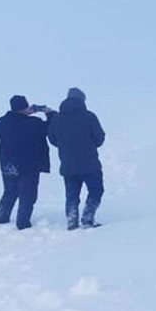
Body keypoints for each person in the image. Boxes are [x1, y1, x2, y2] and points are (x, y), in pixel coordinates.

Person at [48, 87, 106, 230]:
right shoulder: (89, 117)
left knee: (72, 195)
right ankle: (87, 218)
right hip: (90, 163)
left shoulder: (57, 119)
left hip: (68, 164)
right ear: (82, 101)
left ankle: (72, 221)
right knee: (96, 190)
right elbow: (99, 138)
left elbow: (52, 139)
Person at [0, 95, 56, 230]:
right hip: (29, 165)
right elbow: (49, 128)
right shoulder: (34, 123)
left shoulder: (0, 123)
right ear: (25, 107)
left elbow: (15, 121)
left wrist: (24, 113)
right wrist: (49, 113)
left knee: (10, 191)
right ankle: (22, 223)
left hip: (8, 164)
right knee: (27, 195)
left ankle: (2, 217)